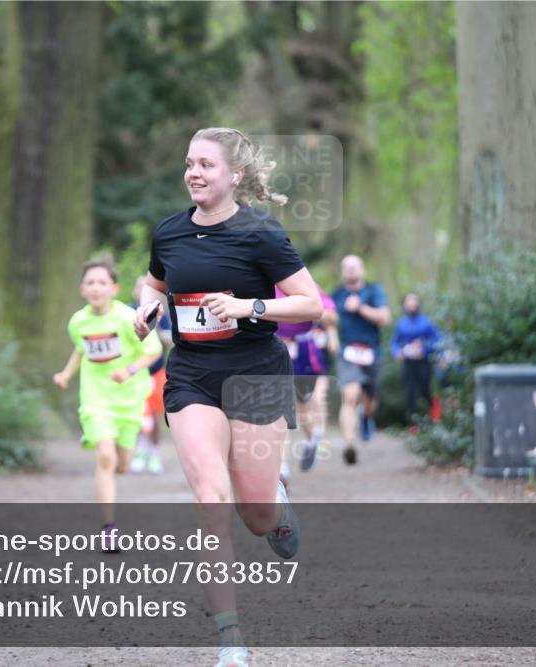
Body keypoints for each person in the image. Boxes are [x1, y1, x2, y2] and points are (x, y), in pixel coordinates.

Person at [133, 127, 321, 667]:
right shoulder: (169, 233)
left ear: (234, 175)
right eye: (189, 163)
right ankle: (231, 640)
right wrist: (145, 310)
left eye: (206, 165)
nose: (193, 173)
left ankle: (276, 501)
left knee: (256, 518)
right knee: (211, 502)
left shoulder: (260, 233)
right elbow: (154, 284)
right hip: (192, 376)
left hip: (257, 374)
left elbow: (311, 305)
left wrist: (249, 308)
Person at [53, 259, 162, 550]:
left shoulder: (128, 318)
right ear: (82, 289)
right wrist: (66, 373)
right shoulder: (78, 321)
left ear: (114, 288)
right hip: (95, 398)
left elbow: (153, 351)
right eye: (90, 282)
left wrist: (127, 371)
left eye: (102, 282)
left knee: (122, 465)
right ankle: (109, 528)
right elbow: (81, 348)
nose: (95, 288)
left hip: (129, 400)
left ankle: (122, 460)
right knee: (105, 456)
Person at [332, 255, 391, 465]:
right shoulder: (337, 294)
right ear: (342, 271)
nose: (350, 270)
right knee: (349, 395)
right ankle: (350, 443)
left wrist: (360, 308)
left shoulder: (374, 291)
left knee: (370, 402)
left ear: (362, 269)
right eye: (346, 267)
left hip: (372, 352)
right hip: (348, 352)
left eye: (354, 266)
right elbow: (328, 319)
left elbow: (385, 318)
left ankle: (366, 417)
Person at [274, 283, 338, 475]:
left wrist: (301, 310)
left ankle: (314, 438)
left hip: (303, 354)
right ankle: (282, 470)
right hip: (273, 350)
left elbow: (331, 316)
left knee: (304, 408)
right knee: (280, 410)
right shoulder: (258, 281)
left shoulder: (300, 281)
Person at [129, 275, 173, 474]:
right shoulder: (127, 312)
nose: (141, 291)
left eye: (144, 287)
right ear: (134, 291)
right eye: (138, 288)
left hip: (156, 370)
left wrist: (162, 337)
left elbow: (170, 340)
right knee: (137, 415)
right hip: (133, 372)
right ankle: (140, 450)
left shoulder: (159, 313)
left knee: (155, 416)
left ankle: (154, 453)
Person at [391, 292, 441, 424]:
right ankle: (413, 424)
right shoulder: (401, 323)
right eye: (409, 302)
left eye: (414, 301)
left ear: (418, 304)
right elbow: (395, 342)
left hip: (423, 361)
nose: (411, 304)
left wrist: (425, 348)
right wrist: (397, 352)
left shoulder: (426, 322)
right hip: (408, 362)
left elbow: (437, 340)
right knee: (409, 392)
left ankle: (434, 414)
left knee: (425, 390)